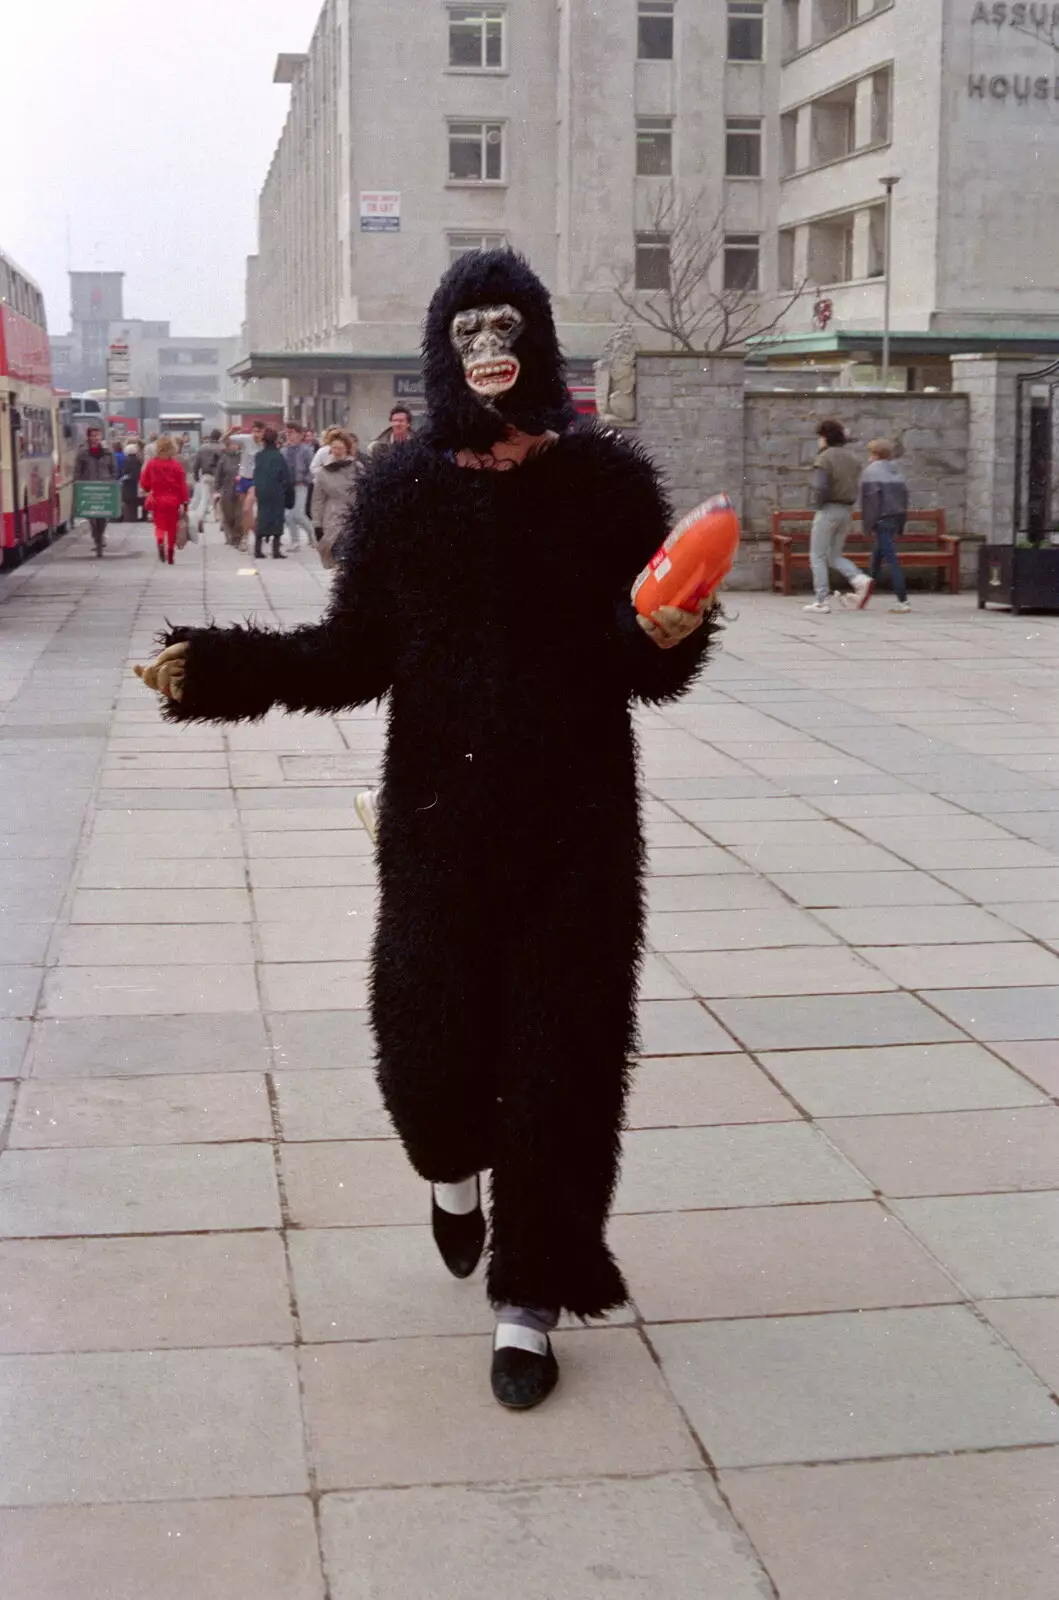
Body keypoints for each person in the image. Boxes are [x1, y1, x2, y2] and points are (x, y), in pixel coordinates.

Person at [135, 250, 715, 1413]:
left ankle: (533, 1297)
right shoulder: (401, 489)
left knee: (567, 1065)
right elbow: (350, 658)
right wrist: (220, 670)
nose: (491, 346)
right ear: (445, 348)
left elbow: (649, 671)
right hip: (438, 828)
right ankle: (453, 1177)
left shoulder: (607, 488)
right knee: (427, 1060)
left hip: (579, 831)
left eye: (509, 326)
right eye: (470, 327)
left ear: (539, 343)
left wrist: (665, 631)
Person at [804, 419, 872, 615]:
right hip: (847, 510)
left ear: (824, 437)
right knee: (834, 555)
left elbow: (820, 486)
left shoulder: (824, 458)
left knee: (817, 555)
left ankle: (821, 600)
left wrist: (816, 505)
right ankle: (861, 580)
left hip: (828, 509)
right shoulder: (852, 458)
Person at [857, 438, 911, 613]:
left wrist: (868, 525)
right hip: (896, 517)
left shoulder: (871, 472)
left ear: (874, 454)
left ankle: (902, 600)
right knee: (877, 558)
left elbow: (870, 501)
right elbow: (904, 497)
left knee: (892, 559)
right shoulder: (897, 471)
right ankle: (863, 596)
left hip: (881, 519)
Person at [313, 429, 365, 568]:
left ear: (347, 448)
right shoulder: (323, 472)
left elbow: (364, 491)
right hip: (332, 515)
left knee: (350, 553)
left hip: (353, 513)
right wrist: (317, 524)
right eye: (334, 447)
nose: (337, 451)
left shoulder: (357, 467)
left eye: (340, 448)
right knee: (333, 551)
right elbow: (318, 499)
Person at [140, 435, 189, 565]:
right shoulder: (176, 465)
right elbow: (182, 485)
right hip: (173, 501)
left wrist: (148, 489)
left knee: (159, 526)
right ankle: (171, 555)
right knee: (172, 528)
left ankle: (160, 542)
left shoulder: (151, 464)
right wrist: (185, 502)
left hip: (157, 499)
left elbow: (144, 481)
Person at [73, 425, 117, 556]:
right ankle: (97, 538)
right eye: (93, 436)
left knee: (103, 517)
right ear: (89, 437)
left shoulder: (107, 452)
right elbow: (77, 470)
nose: (96, 438)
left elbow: (113, 468)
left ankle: (100, 536)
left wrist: (112, 481)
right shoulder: (82, 452)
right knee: (92, 517)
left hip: (104, 486)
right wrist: (78, 483)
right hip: (88, 487)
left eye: (98, 435)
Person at [252, 426, 292, 559]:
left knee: (262, 516)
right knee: (277, 518)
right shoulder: (278, 456)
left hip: (261, 490)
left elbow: (256, 473)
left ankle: (257, 549)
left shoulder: (258, 456)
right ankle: (276, 550)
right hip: (276, 490)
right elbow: (285, 475)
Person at [282, 422, 316, 550]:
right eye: (287, 433)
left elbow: (312, 468)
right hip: (287, 487)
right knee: (288, 515)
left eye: (291, 432)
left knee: (298, 514)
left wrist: (306, 480)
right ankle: (295, 542)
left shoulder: (306, 450)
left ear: (300, 434)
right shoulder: (284, 450)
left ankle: (312, 535)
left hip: (301, 485)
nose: (288, 435)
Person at [189, 430, 224, 534]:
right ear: (219, 437)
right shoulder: (221, 448)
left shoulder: (202, 448)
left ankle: (200, 518)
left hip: (206, 476)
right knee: (220, 500)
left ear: (210, 436)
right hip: (219, 477)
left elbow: (196, 463)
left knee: (204, 499)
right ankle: (222, 522)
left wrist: (196, 476)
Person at [214, 435, 244, 547]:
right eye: (232, 444)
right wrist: (217, 489)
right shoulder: (223, 459)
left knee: (239, 515)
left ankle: (237, 537)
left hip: (240, 489)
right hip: (226, 489)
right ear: (228, 446)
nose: (234, 446)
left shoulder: (242, 457)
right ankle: (230, 535)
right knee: (228, 515)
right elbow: (218, 475)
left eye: (236, 444)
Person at [120, 440, 143, 522]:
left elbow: (125, 471)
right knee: (133, 501)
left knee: (129, 502)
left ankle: (129, 518)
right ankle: (133, 517)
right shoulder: (138, 460)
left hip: (128, 483)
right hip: (135, 483)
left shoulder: (126, 460)